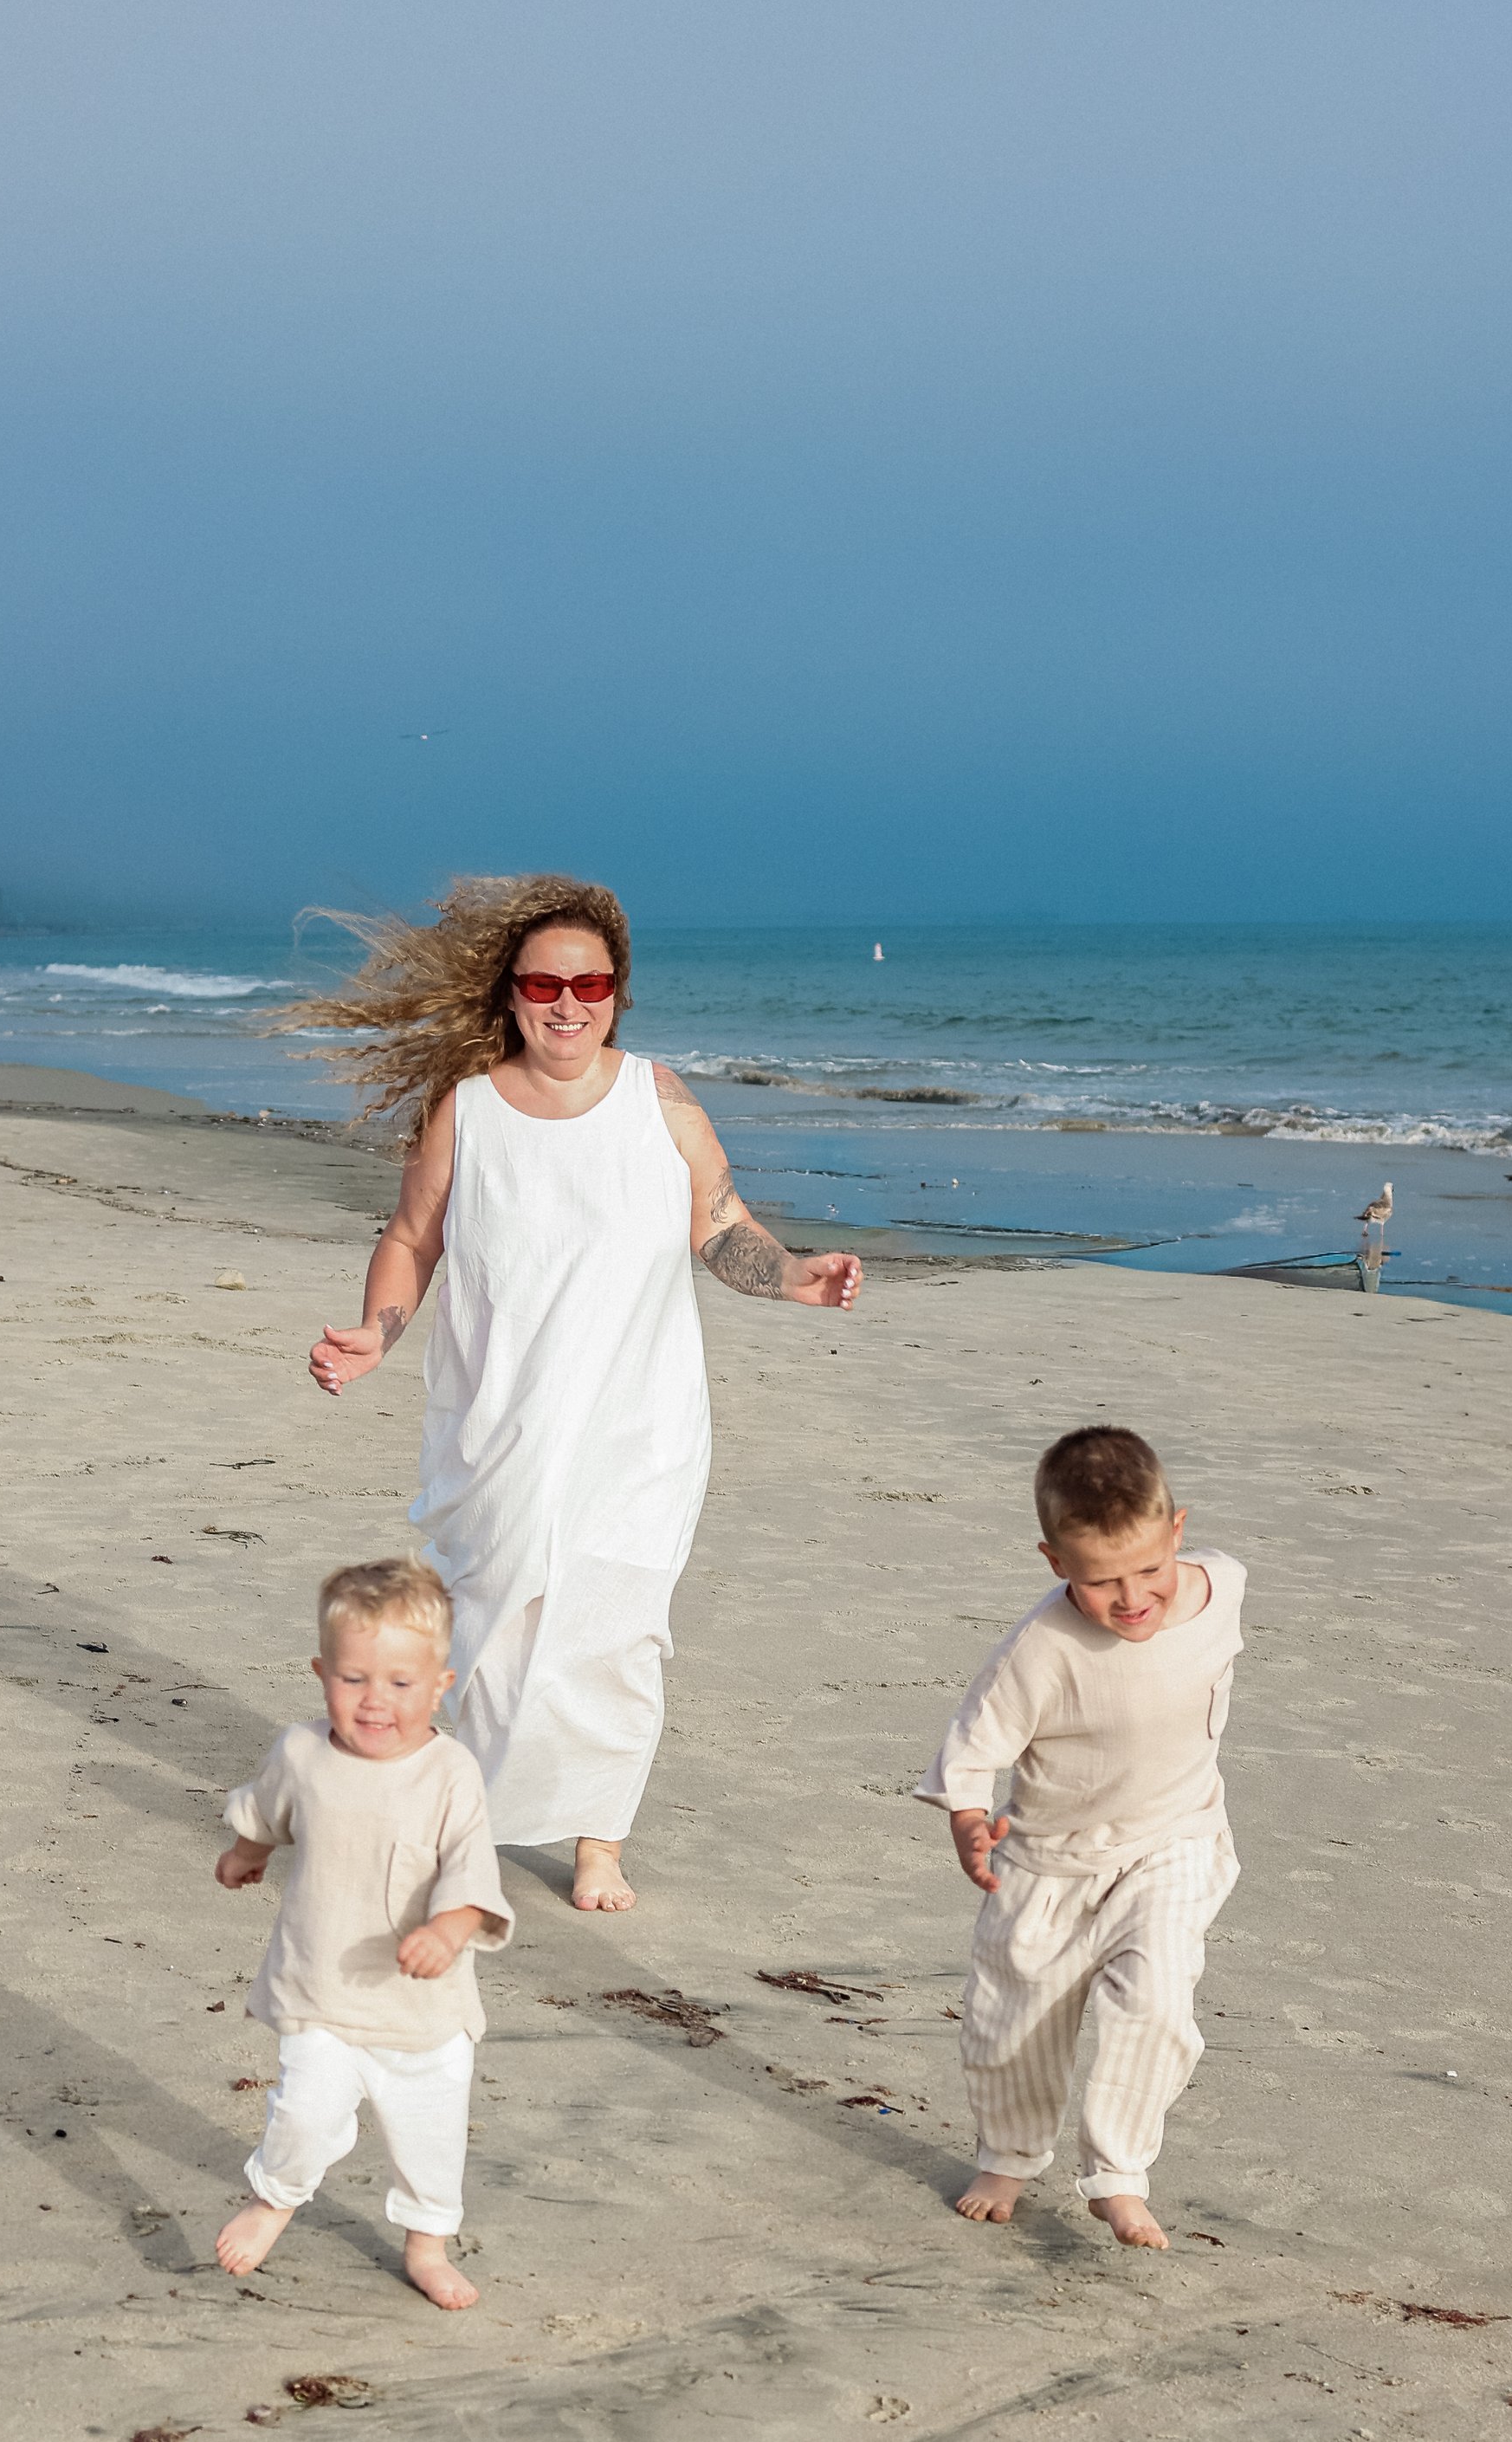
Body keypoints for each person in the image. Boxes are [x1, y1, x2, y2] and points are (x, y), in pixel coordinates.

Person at [281, 873, 861, 1914]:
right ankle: (464, 1815)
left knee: (615, 1626)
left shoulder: (661, 1100)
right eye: (544, 983)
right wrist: (376, 1332)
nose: (566, 1002)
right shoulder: (468, 1112)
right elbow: (414, 1236)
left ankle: (599, 1838)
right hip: (499, 1423)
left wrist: (795, 1275)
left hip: (639, 1425)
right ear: (509, 992)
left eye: (589, 982)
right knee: (490, 1630)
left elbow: (720, 1223)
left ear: (617, 991)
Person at [917, 1424, 1244, 2251]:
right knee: (1013, 2023)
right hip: (1048, 1863)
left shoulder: (1224, 1587)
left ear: (1178, 1531)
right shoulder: (1042, 1650)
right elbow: (975, 1743)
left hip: (1173, 1840)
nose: (1132, 1598)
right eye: (1101, 1581)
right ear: (1056, 1561)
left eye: (1148, 1569)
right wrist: (968, 1819)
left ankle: (1118, 2173)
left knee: (1158, 1998)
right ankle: (1010, 2153)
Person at [211, 1558, 514, 2310]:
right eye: (354, 1680)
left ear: (440, 1684)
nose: (376, 1701)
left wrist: (449, 1928)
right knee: (304, 2112)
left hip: (423, 2011)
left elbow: (474, 1876)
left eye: (401, 1685)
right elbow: (267, 1814)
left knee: (429, 2135)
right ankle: (274, 2198)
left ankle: (426, 2244)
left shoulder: (451, 1773)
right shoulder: (303, 1753)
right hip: (322, 1991)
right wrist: (244, 1855)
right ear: (322, 1673)